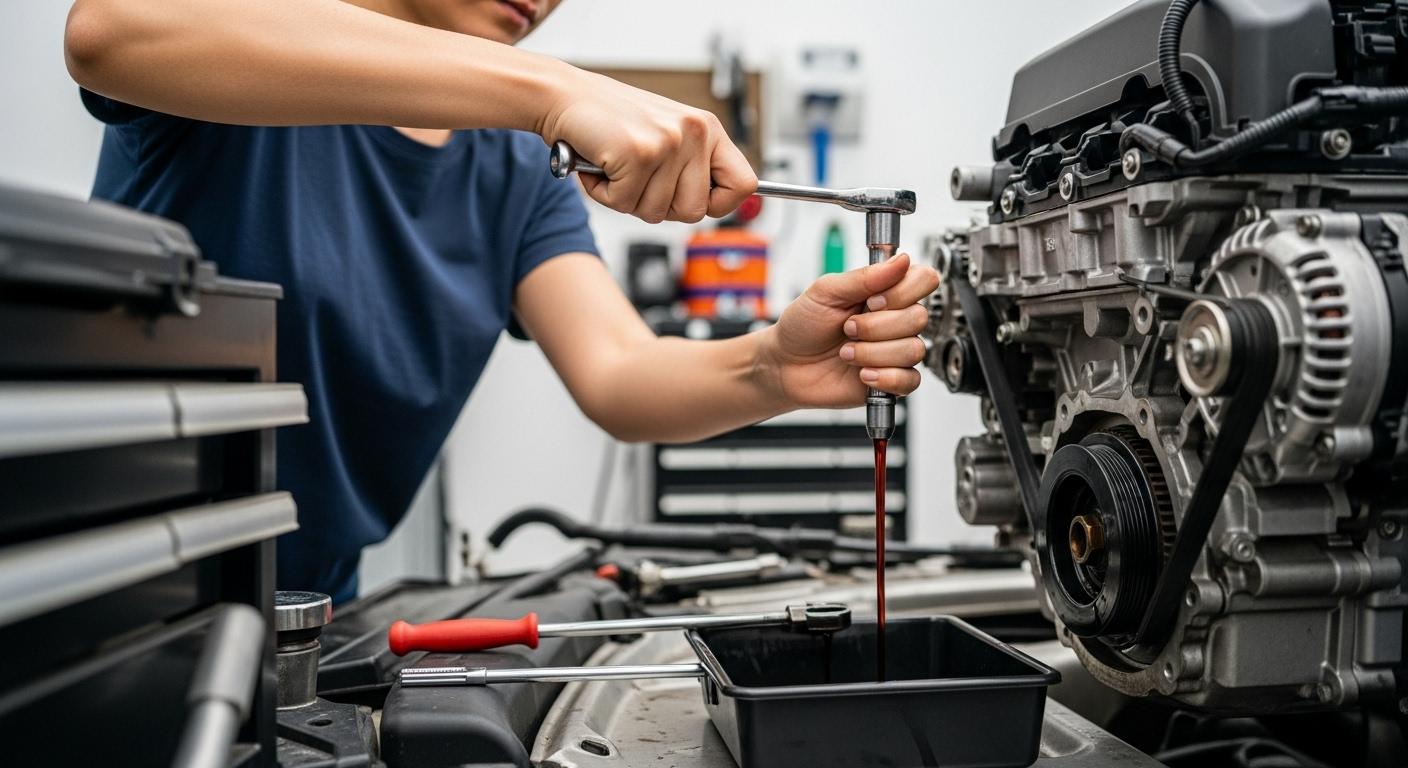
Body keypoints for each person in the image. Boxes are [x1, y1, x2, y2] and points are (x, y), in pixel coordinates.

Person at [63, 0, 940, 602]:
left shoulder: (516, 170)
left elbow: (621, 374)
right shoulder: (254, 37)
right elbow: (107, 30)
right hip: (105, 591)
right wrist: (553, 89)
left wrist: (774, 365)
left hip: (309, 610)